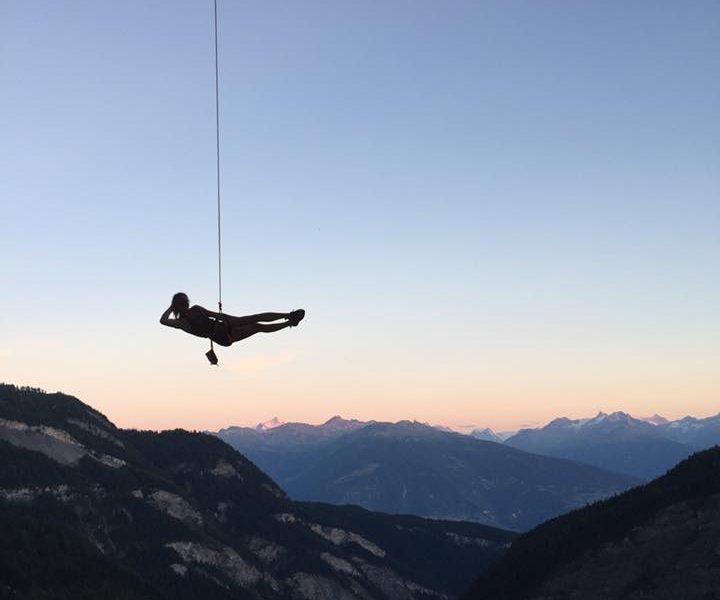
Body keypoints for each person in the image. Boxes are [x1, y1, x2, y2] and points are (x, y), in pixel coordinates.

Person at [160, 292, 304, 347]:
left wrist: (236, 320)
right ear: (177, 306)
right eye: (182, 303)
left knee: (254, 318)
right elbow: (163, 320)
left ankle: (289, 315)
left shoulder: (196, 309)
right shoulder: (182, 323)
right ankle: (290, 323)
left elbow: (216, 315)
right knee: (257, 327)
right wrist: (171, 307)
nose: (186, 304)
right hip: (222, 336)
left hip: (224, 324)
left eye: (186, 301)